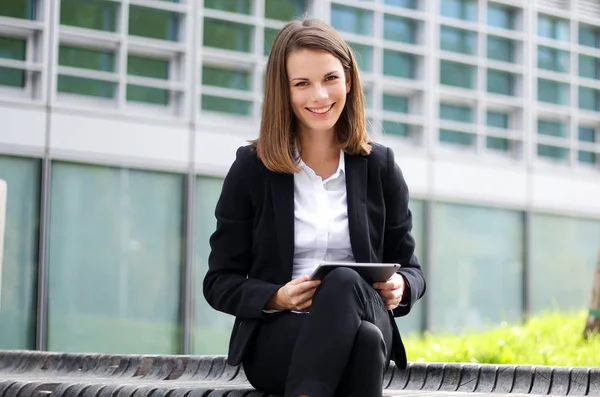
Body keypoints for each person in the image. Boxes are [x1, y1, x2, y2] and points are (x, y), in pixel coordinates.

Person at [203, 18, 426, 397]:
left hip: (365, 309)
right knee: (367, 344)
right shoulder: (251, 169)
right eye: (302, 84)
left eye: (330, 79)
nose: (320, 96)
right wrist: (277, 297)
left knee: (343, 283)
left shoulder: (380, 167)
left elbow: (413, 271)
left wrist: (401, 286)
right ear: (283, 92)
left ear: (349, 81)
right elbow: (219, 282)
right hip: (281, 337)